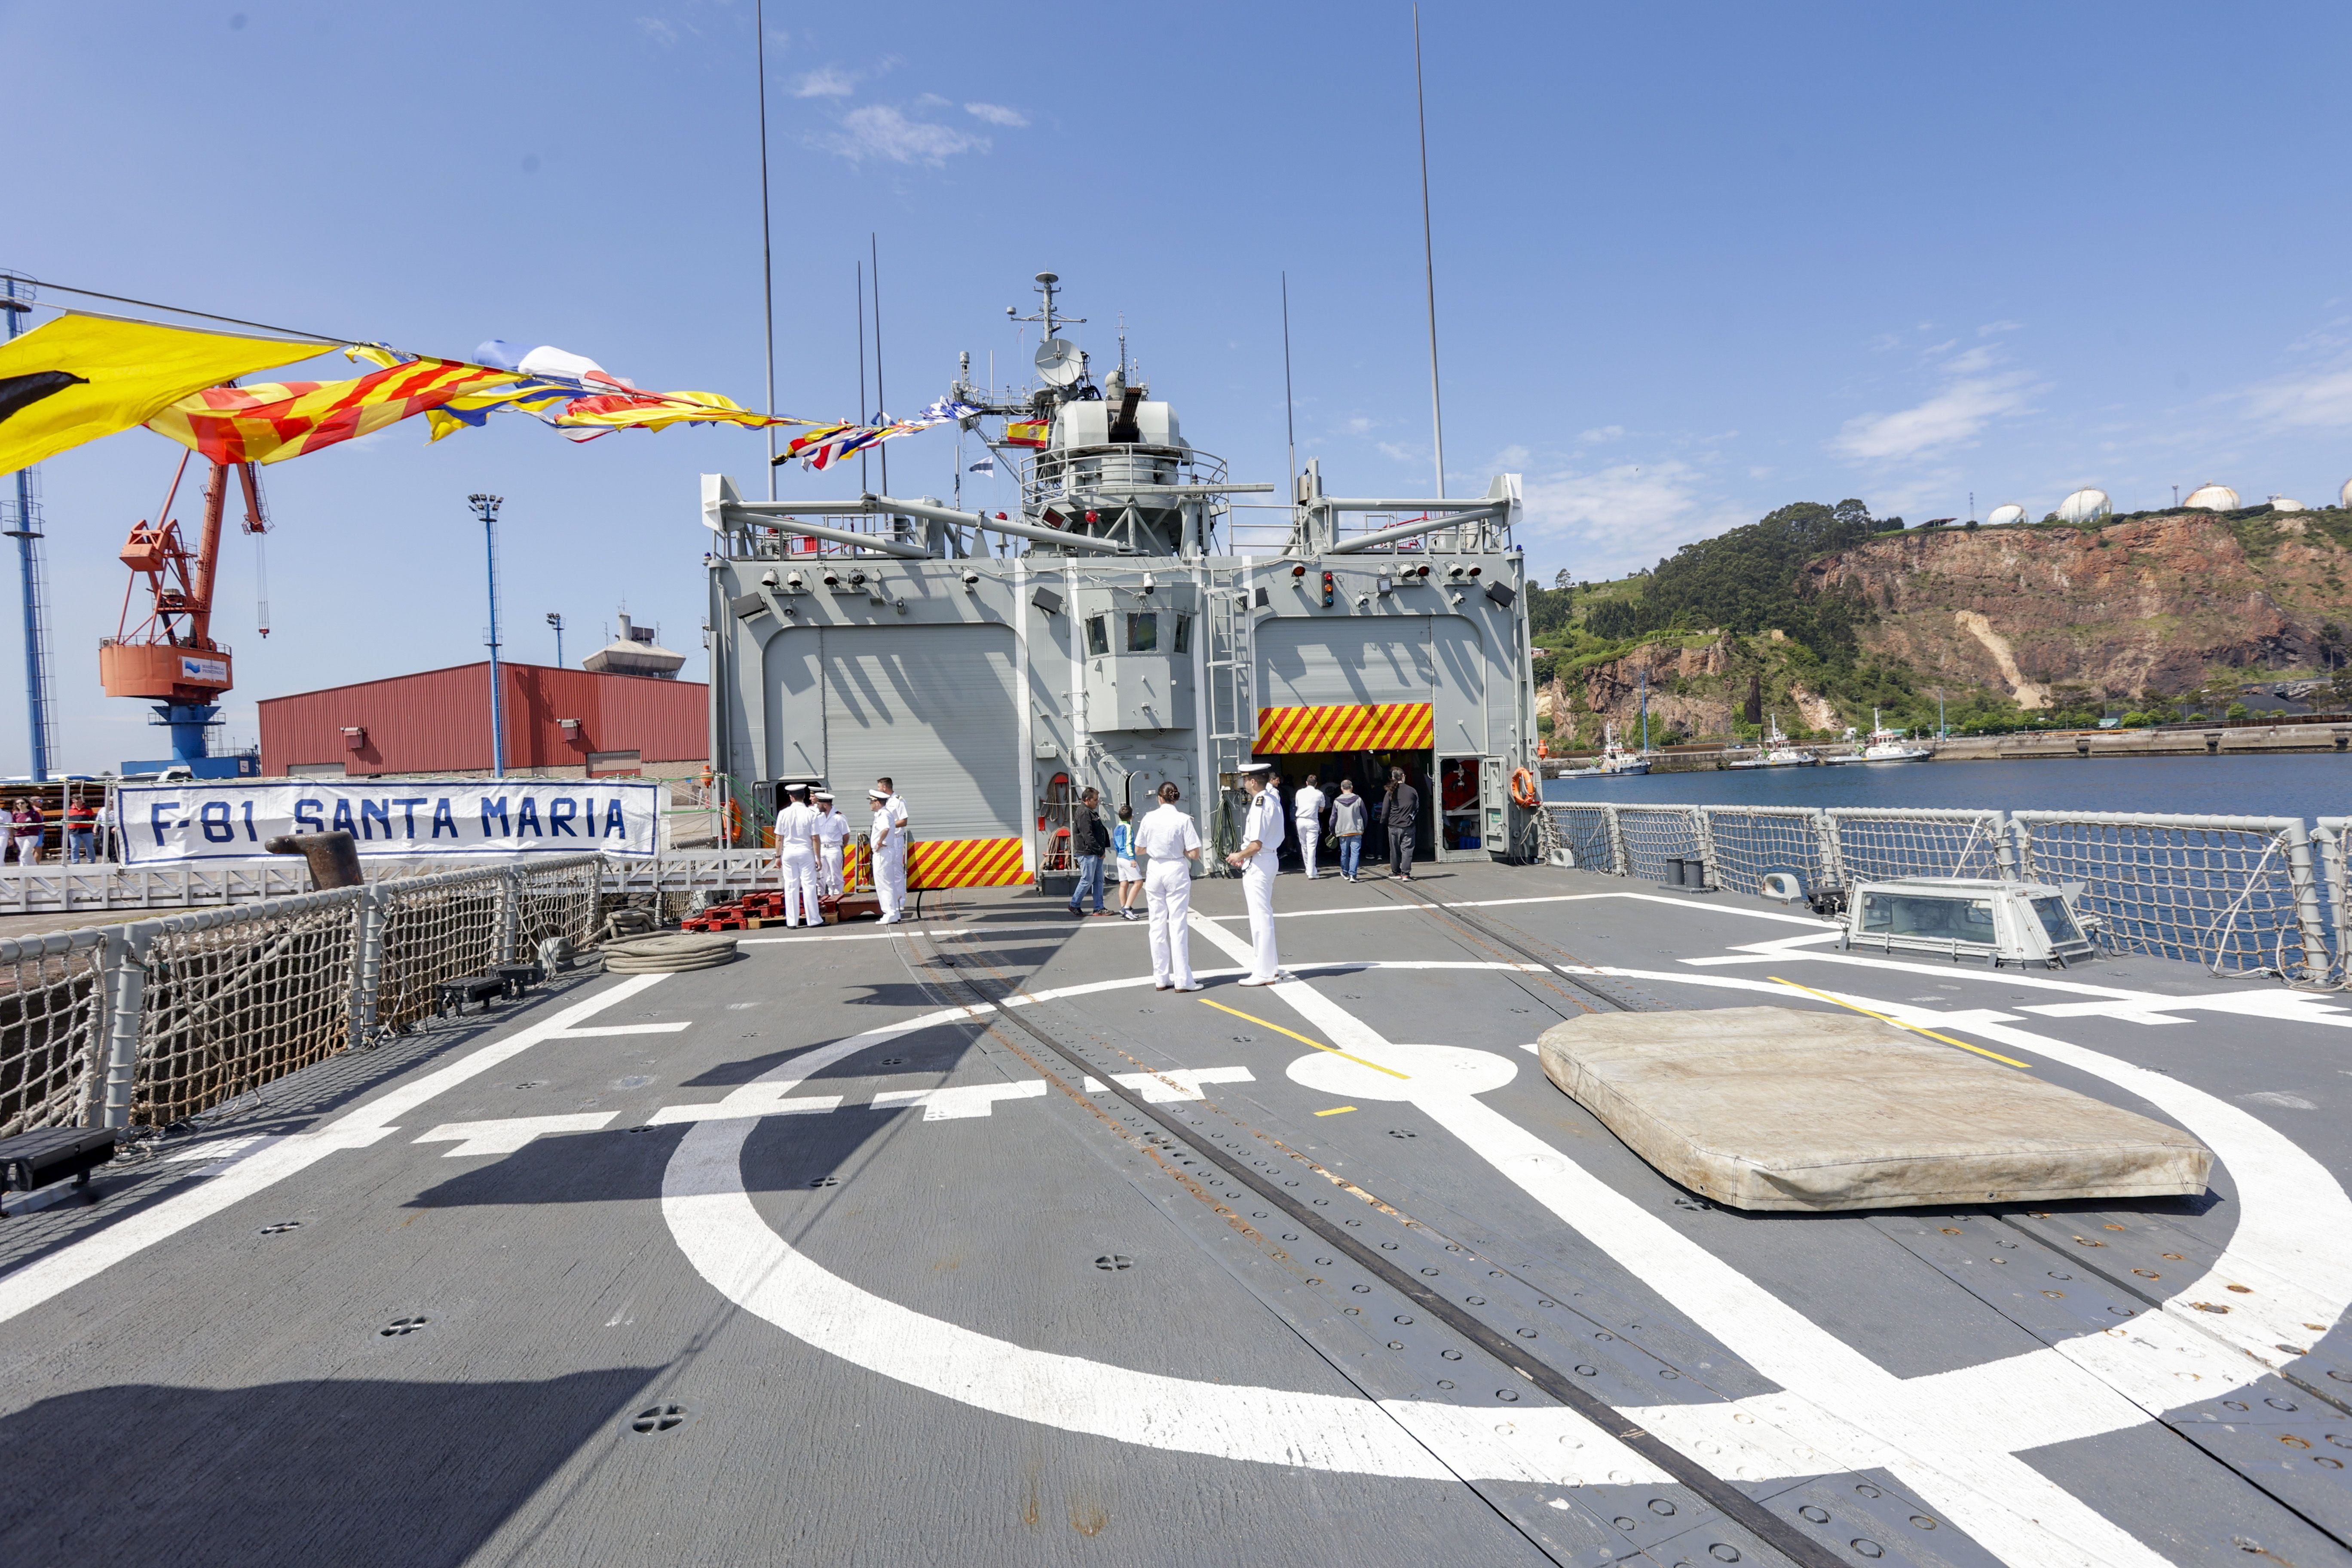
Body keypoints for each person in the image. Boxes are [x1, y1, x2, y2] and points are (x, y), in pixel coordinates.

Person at [1136, 781, 1203, 990]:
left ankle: (1161, 978)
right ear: (1176, 798)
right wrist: (1179, 849)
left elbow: (1139, 849)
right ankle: (1183, 980)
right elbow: (1194, 853)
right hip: (1176, 868)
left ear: (1159, 797)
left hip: (1155, 868)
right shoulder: (1183, 820)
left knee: (1156, 924)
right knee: (1178, 924)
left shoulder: (1149, 818)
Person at [1223, 763, 1285, 984]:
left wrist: (1239, 855)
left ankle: (1264, 972)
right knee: (1264, 915)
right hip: (1266, 860)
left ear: (1252, 781)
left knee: (1260, 918)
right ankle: (1272, 967)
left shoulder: (1260, 804)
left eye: (1245, 779)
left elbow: (1256, 844)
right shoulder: (1272, 800)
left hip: (1259, 861)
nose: (1243, 783)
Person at [774, 784, 823, 928]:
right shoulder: (811, 814)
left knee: (791, 886)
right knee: (809, 885)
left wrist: (778, 856)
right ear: (804, 797)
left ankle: (792, 922)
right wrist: (818, 858)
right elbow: (815, 838)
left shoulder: (783, 813)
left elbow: (779, 837)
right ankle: (814, 920)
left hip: (789, 852)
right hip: (806, 852)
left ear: (791, 797)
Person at [1067, 787, 1110, 917]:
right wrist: (1099, 850)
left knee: (1098, 881)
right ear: (1087, 800)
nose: (1098, 802)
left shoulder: (1089, 811)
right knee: (1087, 880)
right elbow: (1088, 835)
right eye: (1095, 800)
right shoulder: (1084, 813)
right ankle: (1074, 904)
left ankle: (1099, 907)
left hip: (1094, 853)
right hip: (1088, 853)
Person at [868, 784, 908, 922]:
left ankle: (889, 913)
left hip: (883, 852)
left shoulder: (883, 814)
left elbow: (885, 828)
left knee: (883, 884)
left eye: (872, 802)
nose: (870, 804)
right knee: (889, 883)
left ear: (878, 802)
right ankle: (894, 912)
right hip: (886, 851)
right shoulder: (884, 813)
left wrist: (880, 842)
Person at [812, 790, 851, 896]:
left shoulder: (839, 818)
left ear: (825, 805)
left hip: (834, 848)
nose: (817, 807)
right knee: (821, 875)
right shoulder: (819, 817)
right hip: (821, 849)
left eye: (819, 804)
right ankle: (821, 896)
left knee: (836, 875)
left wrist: (843, 846)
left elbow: (846, 835)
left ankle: (838, 895)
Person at [1385, 767, 1420, 880]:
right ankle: (1406, 874)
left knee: (1394, 850)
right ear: (1404, 776)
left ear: (1393, 778)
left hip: (1393, 825)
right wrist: (1411, 819)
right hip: (1408, 825)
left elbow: (1385, 809)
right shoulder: (1412, 791)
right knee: (1407, 849)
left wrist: (1384, 822)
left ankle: (1396, 873)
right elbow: (1417, 808)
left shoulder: (1390, 791)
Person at [1292, 774, 1327, 879]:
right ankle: (1312, 871)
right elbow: (1322, 809)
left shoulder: (1300, 792)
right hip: (1313, 820)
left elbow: (1297, 806)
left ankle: (1308, 868)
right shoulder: (1320, 794)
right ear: (1316, 784)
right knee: (1312, 846)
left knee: (1304, 845)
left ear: (1307, 783)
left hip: (1301, 820)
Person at [1332, 778, 1366, 883]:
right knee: (1355, 853)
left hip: (1343, 831)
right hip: (1356, 830)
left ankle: (1345, 872)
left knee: (1344, 853)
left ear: (1342, 789)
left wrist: (1332, 829)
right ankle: (1353, 875)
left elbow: (1333, 818)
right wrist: (1363, 827)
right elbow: (1364, 815)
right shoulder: (1358, 799)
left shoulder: (1337, 801)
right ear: (1352, 788)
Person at [1112, 802, 1141, 920]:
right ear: (1131, 817)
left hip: (1120, 858)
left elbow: (1117, 844)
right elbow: (1129, 843)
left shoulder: (1117, 828)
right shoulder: (1128, 828)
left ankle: (1123, 908)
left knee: (1124, 884)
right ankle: (1127, 909)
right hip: (1127, 858)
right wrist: (1132, 858)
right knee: (1139, 882)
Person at [64, 795, 98, 864]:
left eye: (81, 799)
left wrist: (94, 829)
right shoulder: (69, 810)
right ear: (73, 801)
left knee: (90, 847)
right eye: (77, 799)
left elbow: (93, 820)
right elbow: (66, 821)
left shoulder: (88, 809)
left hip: (87, 831)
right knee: (75, 848)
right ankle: (75, 862)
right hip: (74, 832)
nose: (80, 801)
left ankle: (91, 861)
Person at [9, 798, 42, 865]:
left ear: (27, 804)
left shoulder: (34, 813)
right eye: (18, 804)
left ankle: (21, 874)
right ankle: (37, 875)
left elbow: (39, 825)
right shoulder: (15, 814)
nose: (20, 805)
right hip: (19, 836)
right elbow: (13, 825)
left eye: (22, 803)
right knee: (29, 856)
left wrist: (28, 825)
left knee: (23, 855)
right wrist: (16, 827)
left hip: (32, 836)